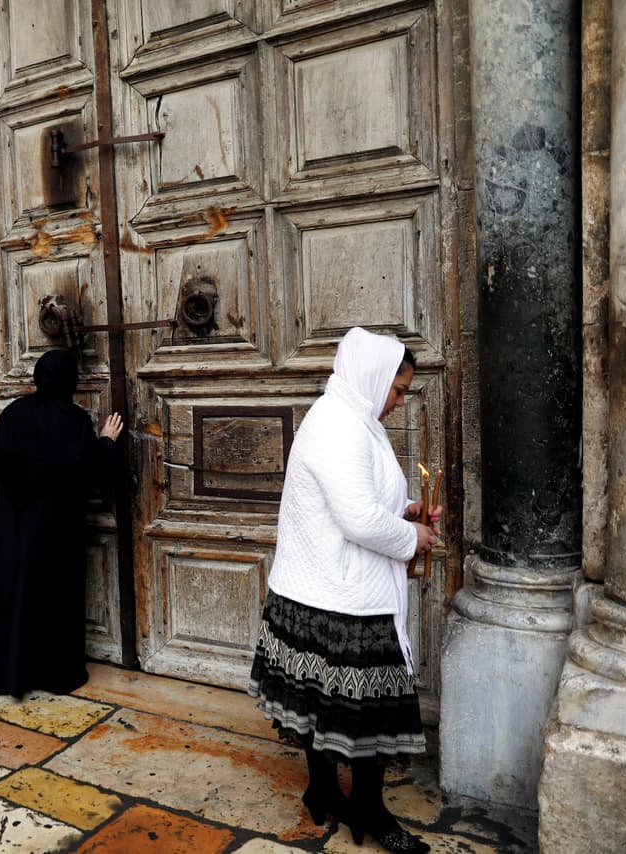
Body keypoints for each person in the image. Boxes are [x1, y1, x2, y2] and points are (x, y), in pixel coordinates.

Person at [248, 327, 441, 854]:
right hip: (335, 597)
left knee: (326, 703)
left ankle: (327, 791)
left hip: (326, 589)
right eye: (398, 390)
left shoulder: (357, 418)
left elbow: (363, 500)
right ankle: (364, 807)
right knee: (360, 710)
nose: (399, 402)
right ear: (374, 378)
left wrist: (405, 515)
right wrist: (413, 536)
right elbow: (357, 518)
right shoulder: (340, 425)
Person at [0, 348, 123, 698]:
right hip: (55, 534)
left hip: (13, 531)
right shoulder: (73, 420)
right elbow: (91, 473)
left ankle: (5, 673)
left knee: (14, 596)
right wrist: (106, 441)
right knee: (53, 603)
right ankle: (53, 674)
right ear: (70, 380)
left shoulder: (14, 413)